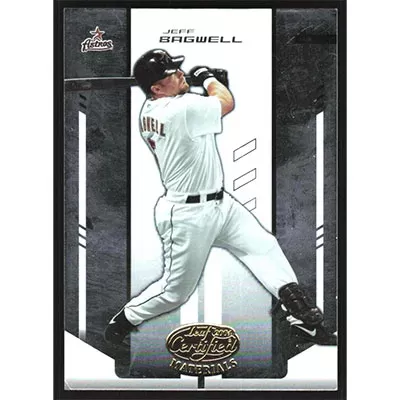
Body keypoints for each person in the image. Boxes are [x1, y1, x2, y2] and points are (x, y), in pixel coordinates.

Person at [104, 49, 336, 347]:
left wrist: (205, 86)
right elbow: (225, 102)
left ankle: (303, 321)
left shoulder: (158, 107)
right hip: (185, 215)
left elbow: (204, 103)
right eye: (171, 74)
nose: (180, 74)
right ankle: (125, 319)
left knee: (263, 247)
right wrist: (208, 78)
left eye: (177, 69)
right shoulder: (180, 109)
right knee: (175, 293)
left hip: (221, 205)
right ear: (156, 88)